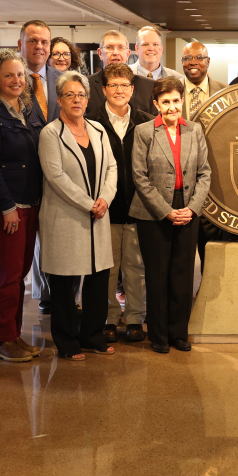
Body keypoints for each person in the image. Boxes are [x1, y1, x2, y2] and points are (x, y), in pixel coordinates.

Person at [39, 71, 120, 360]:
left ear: (88, 99)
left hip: (99, 215)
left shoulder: (98, 130)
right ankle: (66, 340)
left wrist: (105, 199)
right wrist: (88, 203)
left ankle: (92, 335)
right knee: (64, 283)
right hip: (66, 216)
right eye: (70, 95)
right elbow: (56, 177)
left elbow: (111, 168)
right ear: (59, 99)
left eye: (81, 95)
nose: (77, 100)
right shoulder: (51, 133)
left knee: (98, 279)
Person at [130, 77, 212, 354]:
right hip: (153, 212)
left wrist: (192, 208)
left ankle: (179, 333)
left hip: (188, 209)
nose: (172, 106)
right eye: (165, 102)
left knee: (182, 274)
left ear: (182, 101)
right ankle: (159, 335)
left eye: (176, 101)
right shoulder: (143, 132)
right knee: (157, 275)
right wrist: (166, 212)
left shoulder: (195, 130)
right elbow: (139, 178)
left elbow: (205, 173)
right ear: (156, 104)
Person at [0, 49, 45, 363]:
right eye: (8, 75)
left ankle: (12, 334)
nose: (16, 80)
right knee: (9, 273)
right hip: (4, 207)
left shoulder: (29, 109)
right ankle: (2, 340)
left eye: (19, 75)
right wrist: (6, 207)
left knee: (20, 273)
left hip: (30, 203)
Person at [88, 64, 151, 344]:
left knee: (136, 267)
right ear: (103, 90)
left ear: (132, 89)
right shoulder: (91, 122)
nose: (119, 91)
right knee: (109, 268)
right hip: (106, 208)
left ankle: (136, 317)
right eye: (113, 85)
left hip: (138, 206)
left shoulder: (146, 122)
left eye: (124, 85)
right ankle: (110, 317)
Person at [20, 21, 59, 313]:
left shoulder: (62, 80)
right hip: (22, 177)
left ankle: (54, 296)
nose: (40, 46)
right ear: (21, 43)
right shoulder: (10, 78)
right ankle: (5, 308)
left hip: (58, 176)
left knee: (56, 240)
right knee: (19, 253)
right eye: (33, 40)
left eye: (45, 41)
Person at [89, 30, 156, 116]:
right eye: (109, 47)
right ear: (100, 53)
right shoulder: (86, 85)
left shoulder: (148, 86)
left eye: (121, 48)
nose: (115, 53)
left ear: (128, 54)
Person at [181, 41, 225, 120]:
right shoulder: (171, 90)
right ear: (182, 62)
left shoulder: (225, 91)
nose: (193, 62)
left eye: (199, 58)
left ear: (208, 62)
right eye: (188, 58)